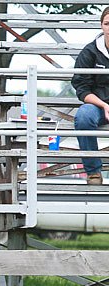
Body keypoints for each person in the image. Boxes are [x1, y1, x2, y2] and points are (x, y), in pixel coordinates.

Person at [72, 7, 109, 186]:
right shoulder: (90, 52)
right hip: (99, 106)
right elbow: (81, 87)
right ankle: (94, 173)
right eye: (107, 23)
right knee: (84, 116)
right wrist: (104, 106)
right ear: (101, 26)